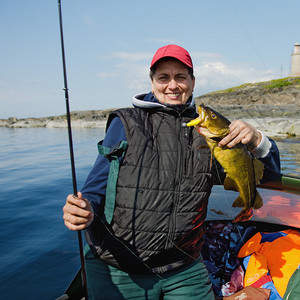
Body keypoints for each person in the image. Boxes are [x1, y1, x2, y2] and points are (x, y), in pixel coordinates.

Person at [62, 44, 281, 299]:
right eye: (163, 77)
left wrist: (258, 141)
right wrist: (84, 208)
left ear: (192, 81)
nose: (172, 85)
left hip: (184, 266)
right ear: (152, 82)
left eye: (180, 77)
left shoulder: (212, 132)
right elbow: (97, 187)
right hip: (119, 265)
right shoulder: (125, 123)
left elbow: (268, 179)